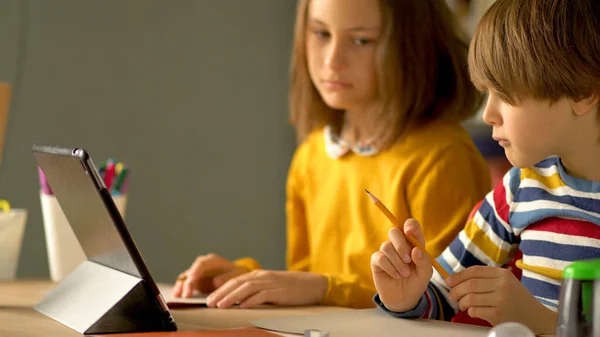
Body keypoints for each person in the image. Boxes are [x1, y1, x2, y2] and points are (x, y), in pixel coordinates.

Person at [173, 0, 491, 309]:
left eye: (361, 40)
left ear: (413, 45)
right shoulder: (311, 155)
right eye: (322, 34)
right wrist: (248, 279)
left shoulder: (442, 156)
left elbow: (448, 298)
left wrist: (323, 287)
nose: (332, 61)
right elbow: (310, 284)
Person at [371, 0, 600, 334]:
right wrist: (407, 296)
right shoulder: (519, 188)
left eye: (504, 93)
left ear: (582, 93)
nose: (488, 114)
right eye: (486, 93)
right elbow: (445, 293)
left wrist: (537, 320)